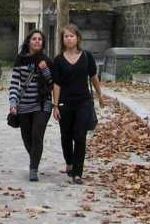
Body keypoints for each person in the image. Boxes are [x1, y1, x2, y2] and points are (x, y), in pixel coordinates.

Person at [52, 23, 103, 184]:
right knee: (66, 136)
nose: (69, 39)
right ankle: (69, 162)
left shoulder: (87, 56)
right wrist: (55, 105)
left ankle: (78, 172)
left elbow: (93, 76)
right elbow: (57, 84)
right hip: (65, 103)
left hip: (84, 101)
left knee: (80, 136)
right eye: (66, 36)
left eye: (71, 36)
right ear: (62, 39)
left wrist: (100, 94)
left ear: (78, 38)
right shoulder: (58, 60)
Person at [8, 29, 53, 182]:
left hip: (42, 103)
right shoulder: (20, 60)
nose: (37, 41)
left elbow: (53, 84)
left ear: (43, 43)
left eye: (40, 39)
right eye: (34, 39)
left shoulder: (47, 60)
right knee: (27, 137)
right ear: (29, 41)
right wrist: (13, 103)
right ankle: (35, 157)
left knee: (37, 135)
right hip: (24, 105)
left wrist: (45, 70)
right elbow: (14, 83)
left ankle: (33, 169)